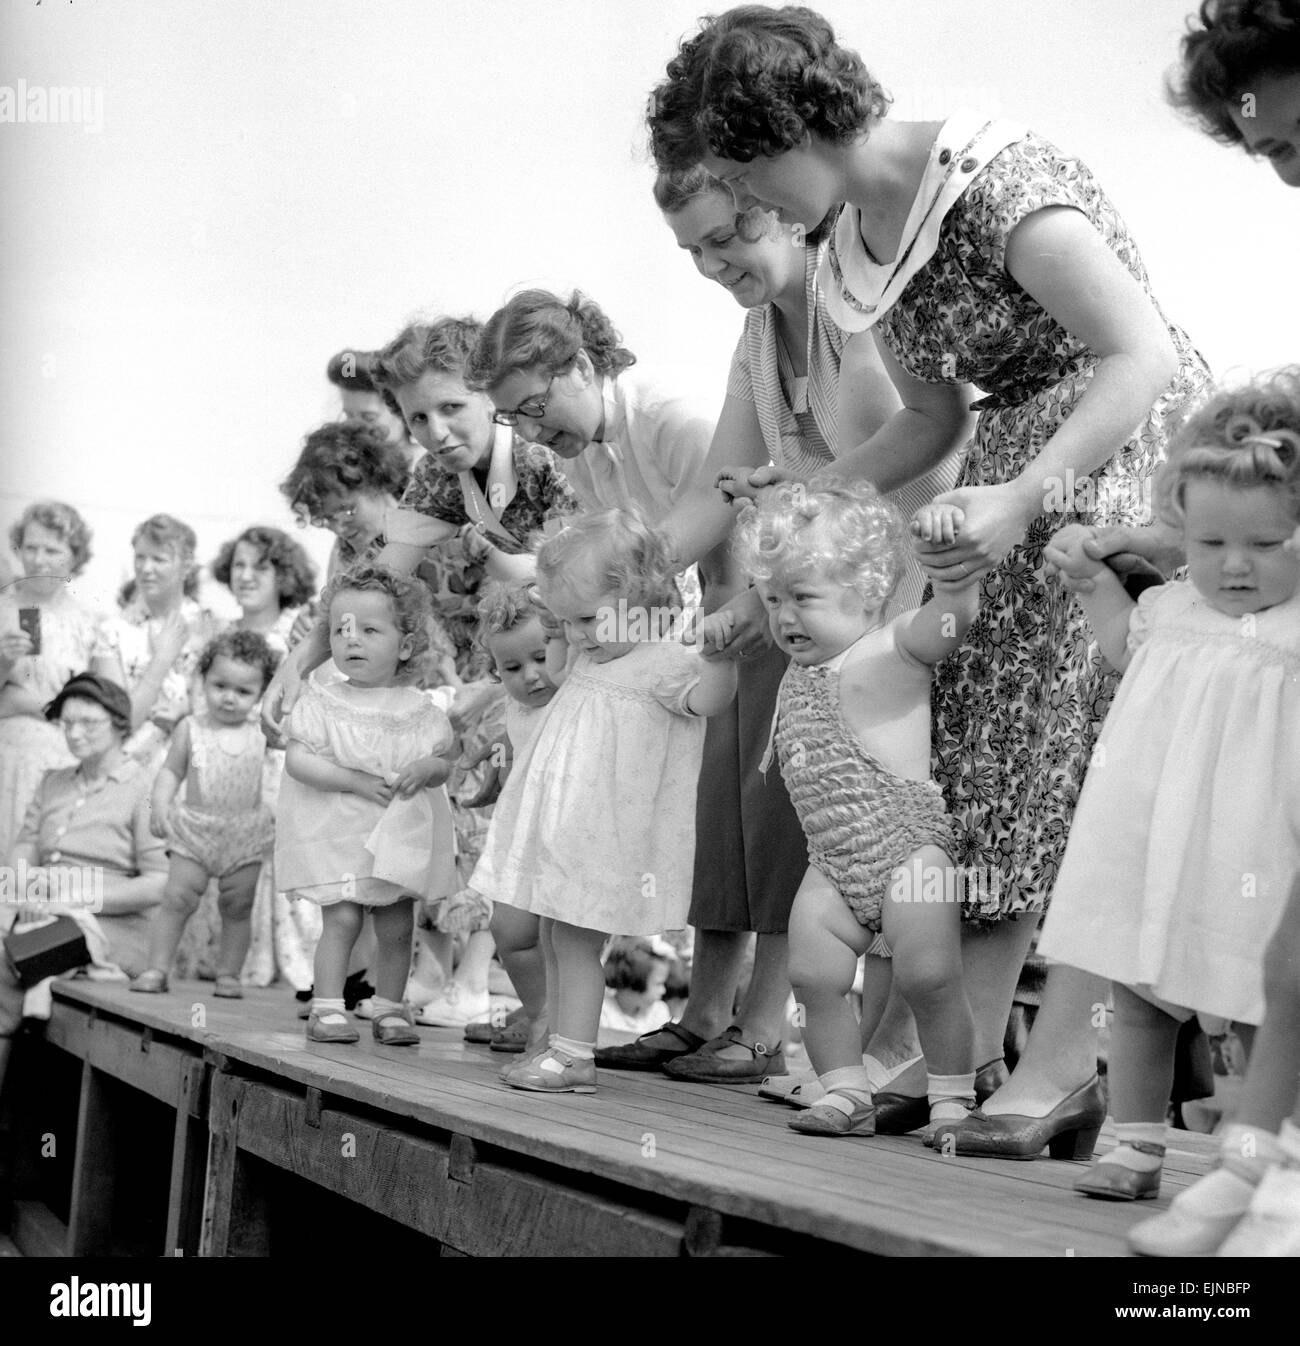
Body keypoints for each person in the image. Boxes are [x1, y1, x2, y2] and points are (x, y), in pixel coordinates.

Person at [647, 3, 1212, 1133]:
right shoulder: (860, 240)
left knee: (1065, 757)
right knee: (984, 762)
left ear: (789, 130)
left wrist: (1022, 492)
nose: (750, 205)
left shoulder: (997, 182)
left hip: (1111, 452)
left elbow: (1140, 351)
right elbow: (927, 419)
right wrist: (814, 494)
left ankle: (1064, 1065)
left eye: (745, 172)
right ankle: (955, 1056)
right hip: (1010, 462)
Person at [1021, 373, 1300, 1214]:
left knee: (1259, 1001)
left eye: (1266, 543)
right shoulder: (1173, 607)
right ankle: (1136, 1141)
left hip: (1254, 843)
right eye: (1211, 544)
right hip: (1151, 828)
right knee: (1138, 994)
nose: (1236, 565)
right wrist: (1094, 580)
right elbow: (1118, 650)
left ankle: (1267, 1157)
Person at [722, 477, 978, 1137]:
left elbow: (952, 622)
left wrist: (952, 580)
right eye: (773, 598)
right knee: (813, 972)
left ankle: (953, 1097)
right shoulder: (799, 672)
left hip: (907, 848)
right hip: (832, 859)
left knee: (930, 977)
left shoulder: (890, 648)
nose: (782, 617)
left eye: (802, 598)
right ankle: (846, 1089)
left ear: (864, 593)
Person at [473, 510, 737, 1093]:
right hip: (562, 827)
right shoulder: (587, 656)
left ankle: (574, 1055)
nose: (578, 634)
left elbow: (709, 703)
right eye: (567, 622)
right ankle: (556, 1041)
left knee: (573, 940)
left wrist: (723, 657)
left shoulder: (664, 663)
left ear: (641, 597)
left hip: (605, 834)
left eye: (589, 618)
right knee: (551, 936)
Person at [275, 565, 457, 1046]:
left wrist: (426, 770)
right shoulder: (322, 702)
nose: (352, 640)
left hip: (394, 840)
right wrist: (352, 779)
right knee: (343, 918)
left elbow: (443, 763)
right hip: (340, 834)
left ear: (405, 644)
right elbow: (298, 762)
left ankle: (390, 1007)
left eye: (370, 630)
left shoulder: (419, 710)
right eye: (341, 630)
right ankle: (328, 1006)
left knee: (397, 924)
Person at [0, 673, 166, 1100]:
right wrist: (27, 890)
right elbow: (24, 844)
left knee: (4, 965)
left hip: (110, 929)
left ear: (119, 724)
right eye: (67, 722)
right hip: (41, 911)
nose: (74, 734)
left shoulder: (143, 787)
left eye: (88, 723)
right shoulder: (54, 780)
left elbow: (159, 884)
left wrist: (71, 898)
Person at [130, 631, 279, 997]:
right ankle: (156, 969)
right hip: (194, 829)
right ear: (203, 681)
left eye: (243, 691)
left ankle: (229, 973)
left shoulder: (262, 732)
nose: (229, 697)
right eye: (220, 685)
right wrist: (159, 806)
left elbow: (298, 735)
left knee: (238, 905)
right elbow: (170, 772)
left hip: (245, 831)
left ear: (261, 693)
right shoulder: (190, 728)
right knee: (177, 899)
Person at [463, 582, 560, 1057]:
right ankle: (541, 1010)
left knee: (565, 942)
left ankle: (561, 1029)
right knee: (511, 933)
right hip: (524, 842)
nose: (531, 676)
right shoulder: (517, 710)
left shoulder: (582, 700)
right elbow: (517, 743)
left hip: (571, 842)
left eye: (541, 657)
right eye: (512, 668)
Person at [0, 501, 118, 857]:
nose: (39, 559)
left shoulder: (91, 619)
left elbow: (110, 698)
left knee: (44, 863)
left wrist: (27, 701)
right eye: (31, 547)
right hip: (8, 757)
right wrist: (4, 661)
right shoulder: (4, 608)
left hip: (63, 758)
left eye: (52, 550)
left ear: (75, 556)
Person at [102, 514, 219, 764]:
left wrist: (186, 711)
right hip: (130, 766)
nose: (146, 568)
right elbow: (117, 724)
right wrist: (162, 659)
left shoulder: (211, 629)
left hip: (192, 765)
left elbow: (222, 710)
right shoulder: (113, 631)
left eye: (159, 559)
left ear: (186, 566)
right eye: (140, 557)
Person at [325, 347, 418, 471]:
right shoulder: (343, 470)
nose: (355, 428)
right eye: (349, 416)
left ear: (402, 411)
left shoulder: (431, 467)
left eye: (369, 418)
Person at [601, 938, 675, 1036]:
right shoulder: (604, 1012)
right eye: (658, 984)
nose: (663, 990)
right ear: (635, 982)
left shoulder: (658, 1012)